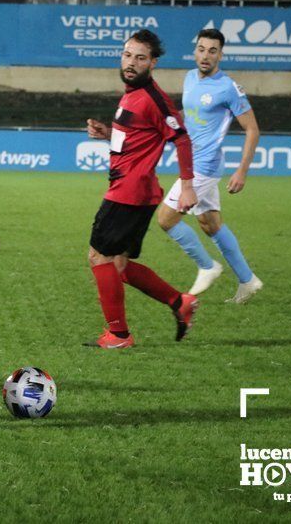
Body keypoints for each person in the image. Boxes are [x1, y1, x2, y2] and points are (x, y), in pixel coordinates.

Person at [85, 29, 199, 349]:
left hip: (129, 192)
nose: (131, 63)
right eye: (127, 55)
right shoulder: (131, 93)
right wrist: (107, 133)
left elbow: (182, 138)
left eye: (140, 58)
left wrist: (188, 186)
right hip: (135, 191)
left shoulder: (154, 99)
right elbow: (138, 139)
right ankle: (180, 303)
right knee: (118, 266)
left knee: (99, 258)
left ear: (153, 63)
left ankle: (119, 335)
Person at [157, 28, 263, 303]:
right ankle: (248, 280)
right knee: (210, 223)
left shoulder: (228, 87)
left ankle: (207, 266)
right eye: (202, 49)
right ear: (195, 51)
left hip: (203, 164)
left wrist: (242, 171)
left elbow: (252, 129)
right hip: (191, 159)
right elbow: (189, 115)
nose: (206, 55)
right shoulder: (190, 77)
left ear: (221, 55)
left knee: (166, 219)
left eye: (212, 51)